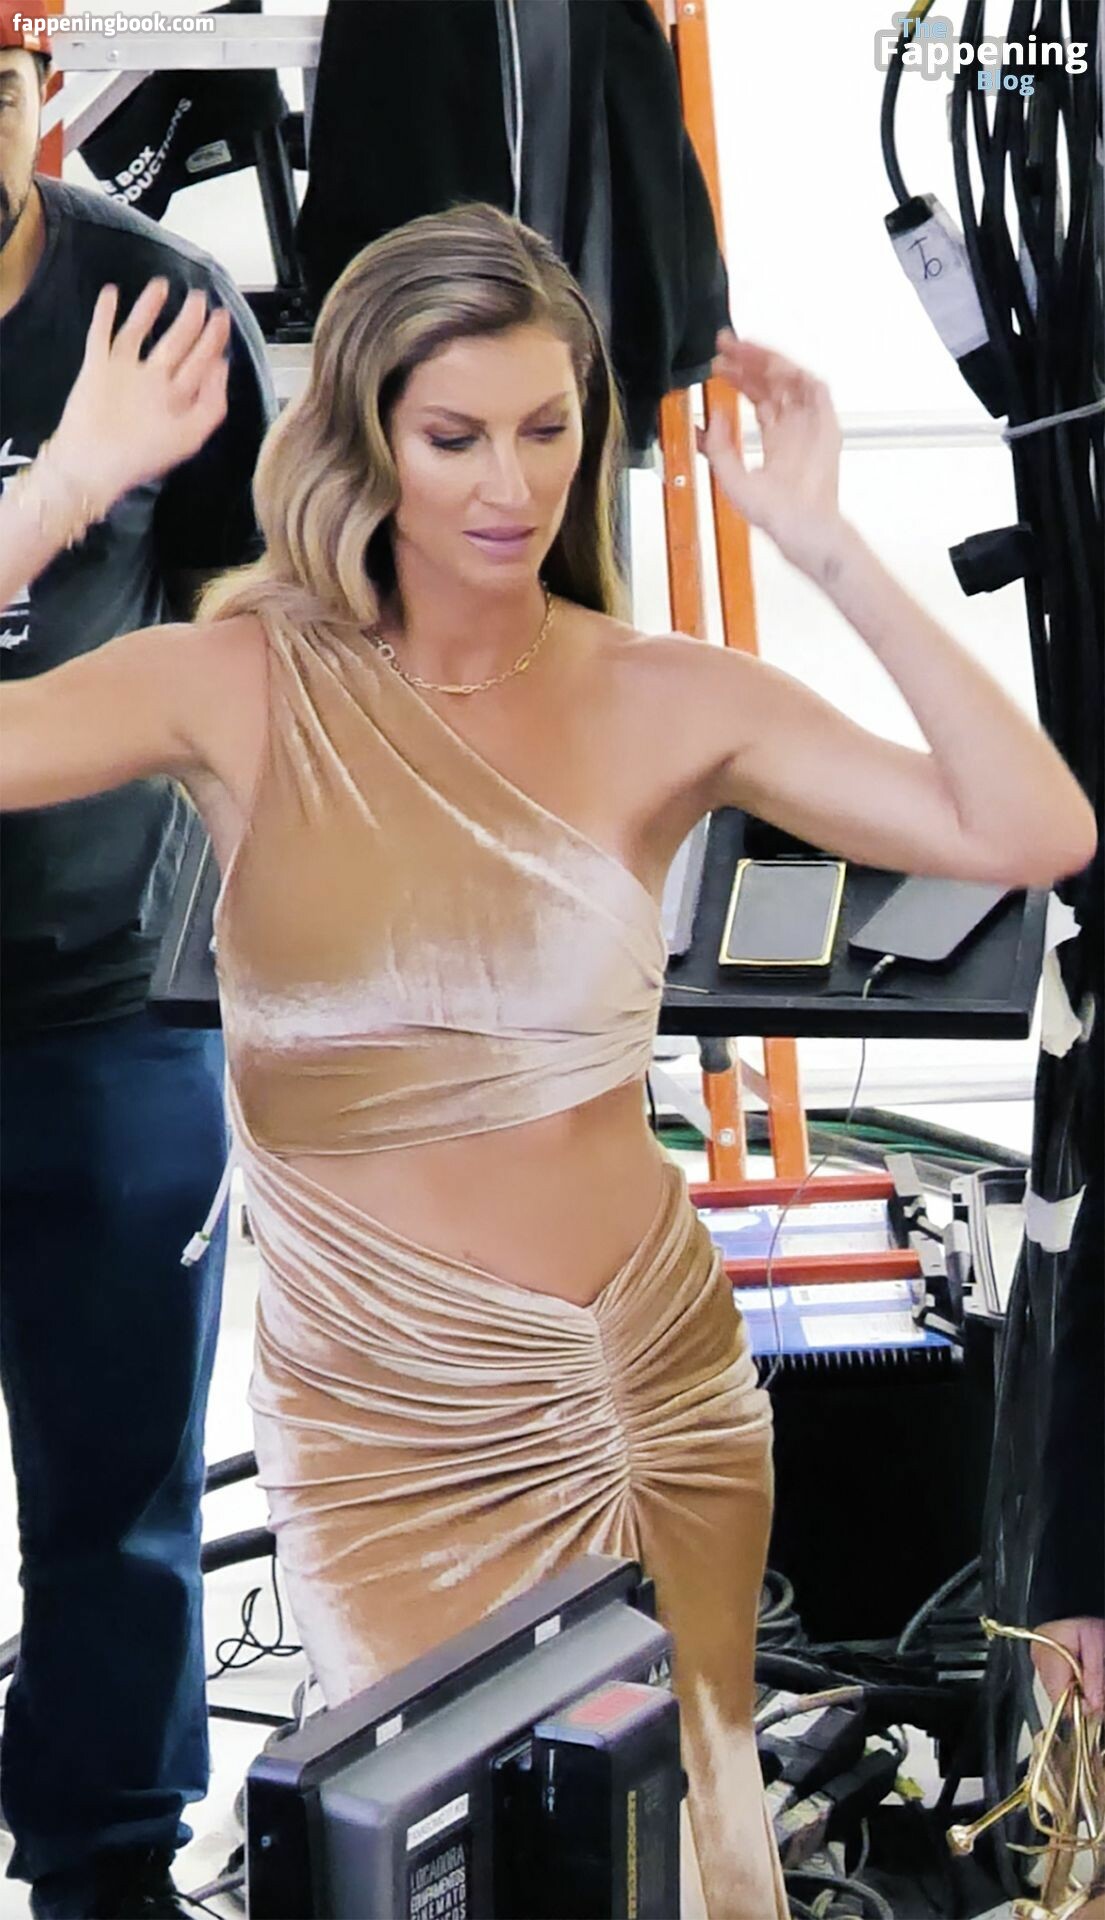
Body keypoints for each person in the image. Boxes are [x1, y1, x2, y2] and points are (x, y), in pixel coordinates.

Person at [0, 201, 1096, 1920]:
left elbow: (1031, 831)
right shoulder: (237, 682)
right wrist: (63, 487)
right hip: (387, 1417)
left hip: (654, 1382)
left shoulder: (663, 693)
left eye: (545, 428)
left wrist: (828, 551)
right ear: (366, 437)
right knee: (436, 1867)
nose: (507, 486)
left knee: (692, 1841)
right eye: (454, 437)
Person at [0, 9, 276, 1916]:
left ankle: (104, 1866)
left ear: (43, 94)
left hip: (112, 1006)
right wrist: (66, 479)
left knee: (120, 1498)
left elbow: (253, 602)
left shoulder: (160, 306)